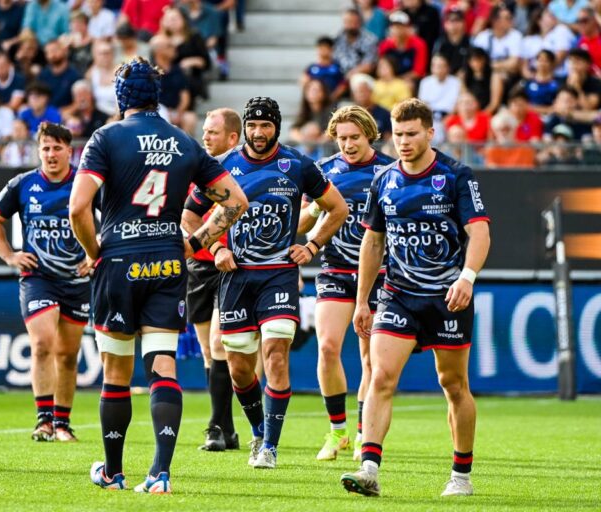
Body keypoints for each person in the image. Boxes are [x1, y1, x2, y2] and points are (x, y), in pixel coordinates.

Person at [70, 57, 248, 494]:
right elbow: (236, 202)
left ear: (120, 97)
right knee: (163, 365)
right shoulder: (185, 142)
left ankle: (113, 473)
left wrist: (94, 252)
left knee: (116, 370)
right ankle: (160, 473)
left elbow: (77, 208)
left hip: (118, 262)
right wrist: (194, 242)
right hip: (168, 262)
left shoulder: (106, 137)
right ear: (157, 95)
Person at [186, 96, 349, 470]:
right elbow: (189, 215)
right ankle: (258, 431)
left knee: (275, 354)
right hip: (236, 277)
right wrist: (215, 249)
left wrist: (311, 246)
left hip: (278, 275)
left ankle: (270, 447)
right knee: (239, 368)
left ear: (277, 126)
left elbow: (338, 208)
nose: (259, 133)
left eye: (266, 125)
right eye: (253, 125)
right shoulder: (223, 166)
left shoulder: (298, 165)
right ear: (244, 128)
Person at [340, 98, 491, 497]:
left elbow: (479, 232)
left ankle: (461, 476)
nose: (403, 142)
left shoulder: (456, 175)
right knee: (380, 376)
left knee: (453, 384)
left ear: (430, 133)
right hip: (398, 295)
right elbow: (373, 243)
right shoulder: (384, 180)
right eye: (398, 134)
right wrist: (362, 300)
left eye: (411, 134)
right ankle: (369, 469)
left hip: (447, 297)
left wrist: (467, 278)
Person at [0, 122, 90, 442]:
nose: (51, 154)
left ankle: (62, 423)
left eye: (57, 148)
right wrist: (9, 255)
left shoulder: (84, 184)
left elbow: (113, 218)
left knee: (68, 354)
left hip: (76, 279)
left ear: (70, 151)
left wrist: (94, 254)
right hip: (38, 278)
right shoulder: (23, 184)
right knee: (43, 343)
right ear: (38, 151)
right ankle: (44, 420)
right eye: (45, 148)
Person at [297, 106, 392, 463]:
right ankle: (337, 431)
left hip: (379, 274)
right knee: (327, 347)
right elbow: (302, 224)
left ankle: (364, 431)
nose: (348, 145)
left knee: (370, 358)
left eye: (355, 137)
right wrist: (314, 208)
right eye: (342, 139)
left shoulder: (388, 171)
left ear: (369, 135)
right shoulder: (323, 170)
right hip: (335, 268)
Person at [180, 108, 242, 451]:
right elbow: (186, 218)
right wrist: (213, 246)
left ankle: (216, 426)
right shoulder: (195, 169)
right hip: (199, 266)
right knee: (208, 351)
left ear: (232, 137)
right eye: (204, 131)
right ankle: (227, 428)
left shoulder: (242, 171)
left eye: (213, 132)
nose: (205, 137)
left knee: (220, 344)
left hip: (233, 267)